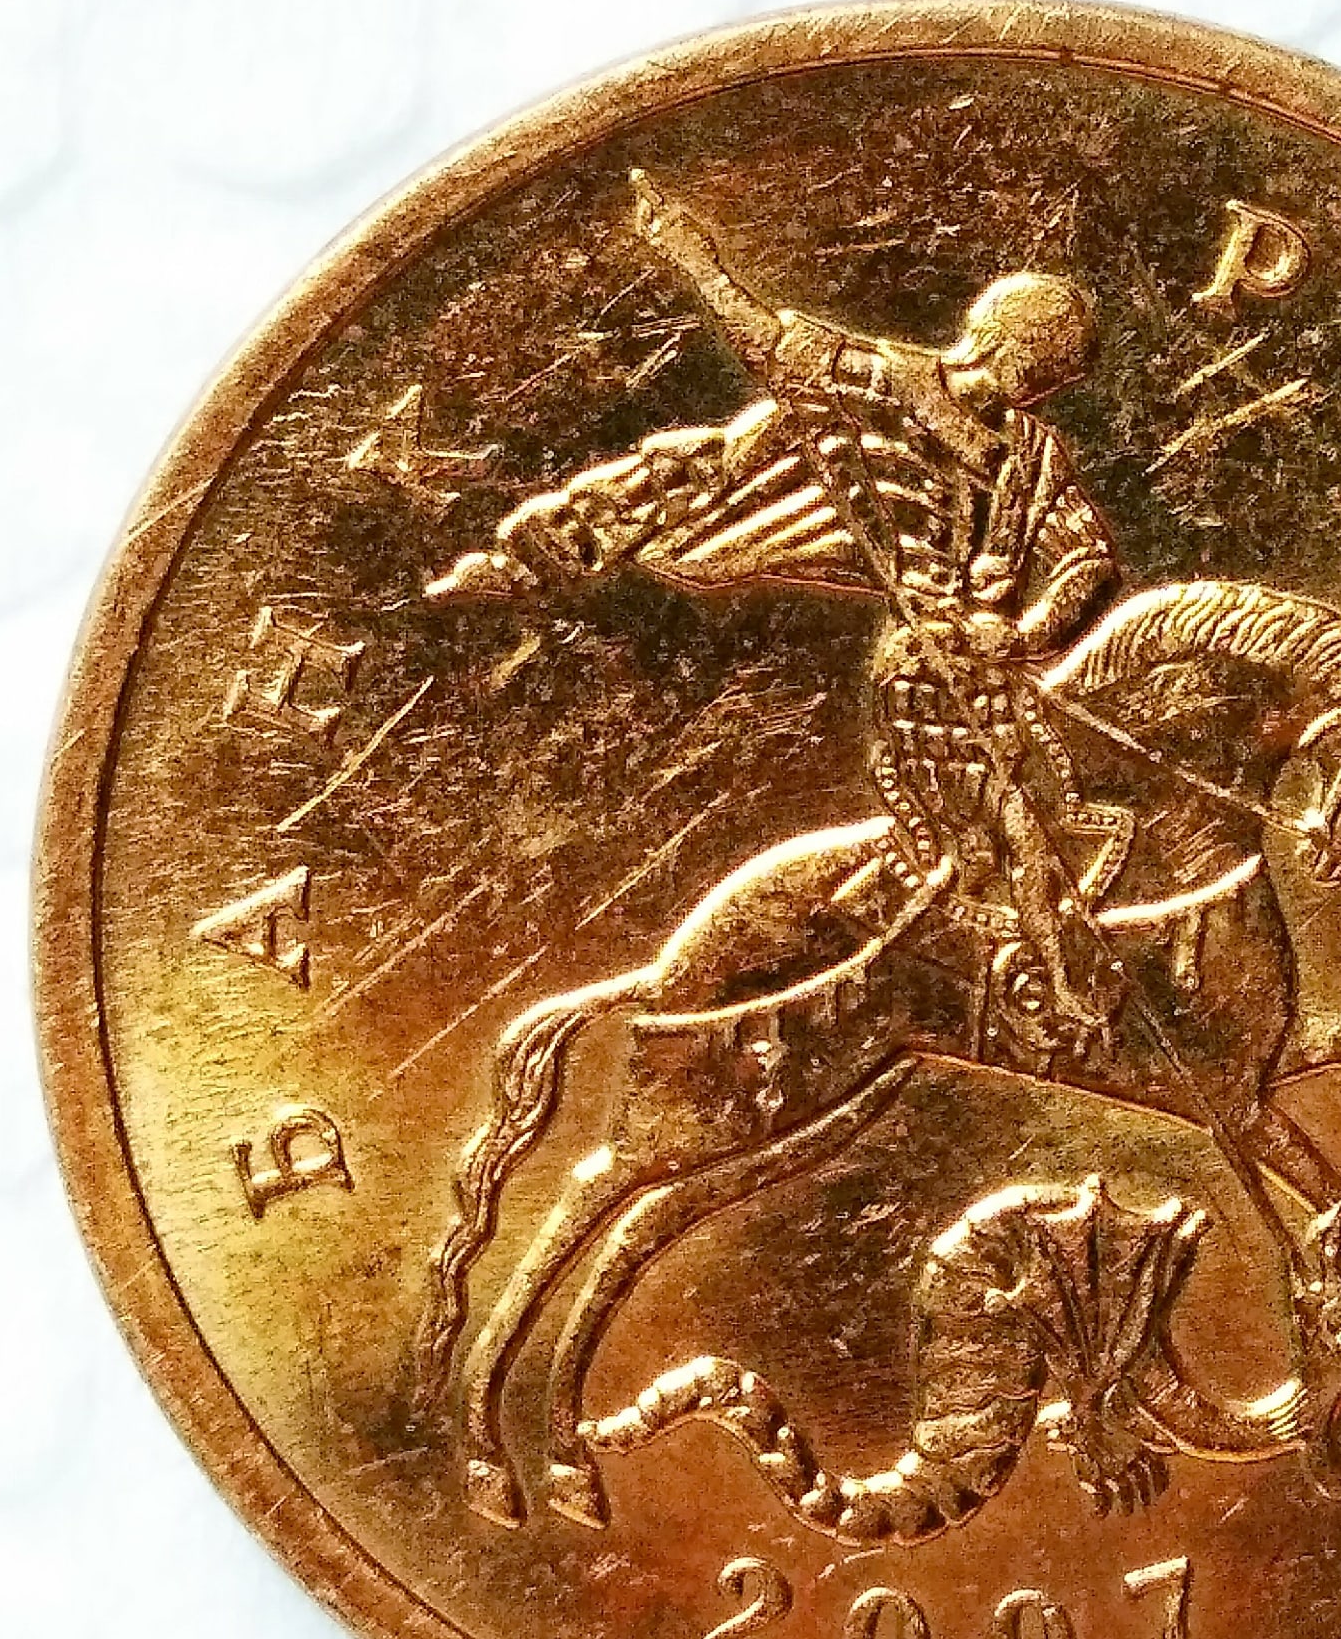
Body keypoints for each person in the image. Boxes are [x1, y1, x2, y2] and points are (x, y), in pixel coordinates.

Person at [431, 170, 1130, 1042]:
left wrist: (1022, 630)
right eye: (1042, 362)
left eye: (1055, 377)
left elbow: (1089, 558)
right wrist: (693, 256)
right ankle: (1061, 989)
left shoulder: (1032, 452)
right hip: (920, 671)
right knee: (1013, 816)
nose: (1042, 385)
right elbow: (764, 340)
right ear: (999, 338)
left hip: (991, 667)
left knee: (1072, 787)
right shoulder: (876, 381)